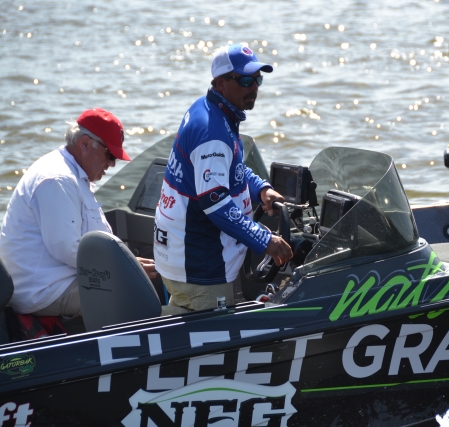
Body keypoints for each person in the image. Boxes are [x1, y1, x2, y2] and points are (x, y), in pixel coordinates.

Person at [154, 43, 293, 313]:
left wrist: (260, 189)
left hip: (183, 259)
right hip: (200, 268)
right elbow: (216, 203)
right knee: (202, 336)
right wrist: (264, 240)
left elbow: (230, 169)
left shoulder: (208, 110)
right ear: (220, 83)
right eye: (245, 81)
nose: (253, 88)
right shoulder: (213, 133)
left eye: (257, 80)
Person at [0, 108, 157, 317]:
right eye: (110, 155)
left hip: (58, 279)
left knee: (140, 280)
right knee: (133, 294)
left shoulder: (72, 173)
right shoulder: (58, 179)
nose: (112, 164)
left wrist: (128, 263)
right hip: (45, 291)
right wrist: (126, 267)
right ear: (85, 144)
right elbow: (67, 248)